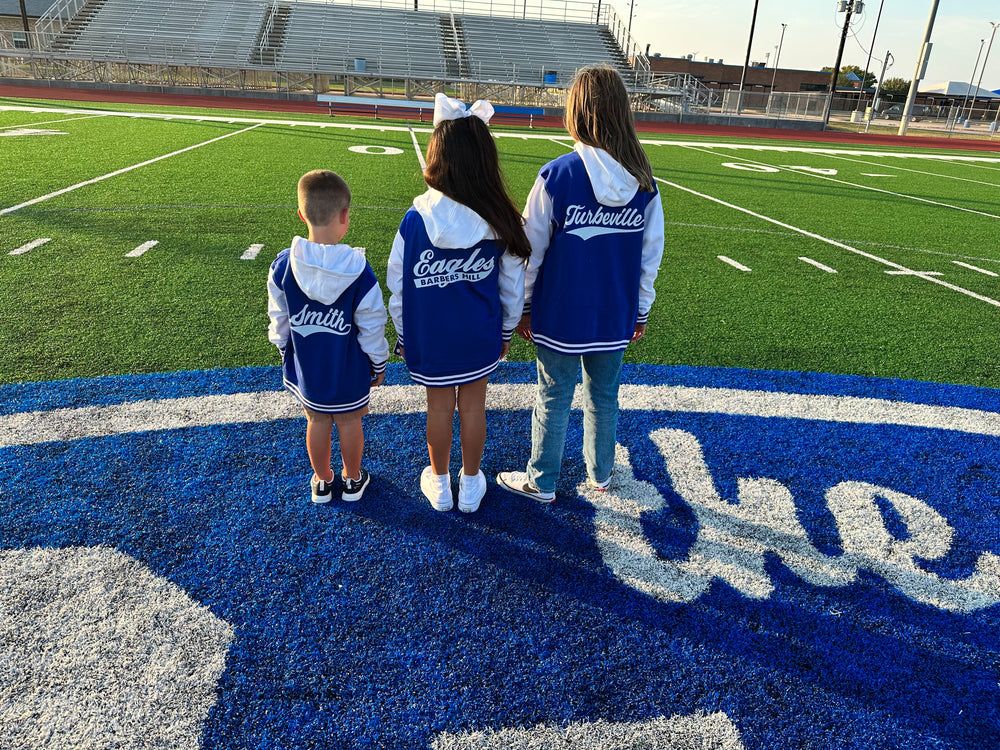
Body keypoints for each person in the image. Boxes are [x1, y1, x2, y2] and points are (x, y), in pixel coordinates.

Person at [497, 64, 665, 502]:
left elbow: (529, 252)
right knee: (604, 396)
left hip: (560, 315)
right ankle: (601, 475)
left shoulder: (557, 176)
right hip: (614, 315)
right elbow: (651, 257)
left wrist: (524, 308)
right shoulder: (645, 182)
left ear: (577, 111)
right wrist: (640, 309)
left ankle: (542, 480)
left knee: (552, 398)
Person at [388, 93, 529, 514]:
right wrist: (505, 330)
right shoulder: (499, 218)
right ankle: (470, 484)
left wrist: (403, 334)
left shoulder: (415, 220)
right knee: (473, 406)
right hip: (478, 334)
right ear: (484, 160)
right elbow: (511, 286)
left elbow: (398, 284)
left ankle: (440, 482)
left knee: (437, 406)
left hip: (430, 337)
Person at [268, 169, 389, 504]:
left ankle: (322, 480)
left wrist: (283, 350)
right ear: (345, 216)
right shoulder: (360, 271)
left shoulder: (282, 266)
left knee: (317, 420)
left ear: (302, 214)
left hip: (309, 368)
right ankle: (352, 479)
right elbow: (372, 325)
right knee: (350, 421)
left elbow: (279, 319)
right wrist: (378, 362)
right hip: (348, 370)